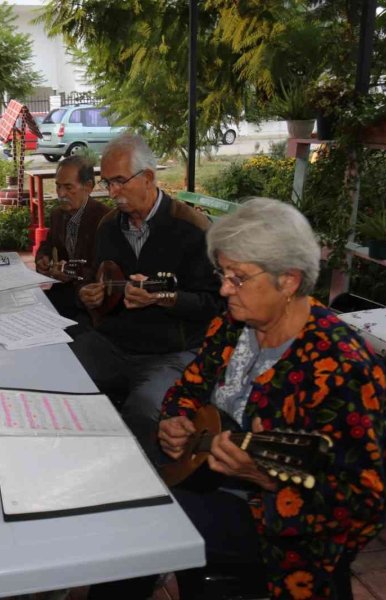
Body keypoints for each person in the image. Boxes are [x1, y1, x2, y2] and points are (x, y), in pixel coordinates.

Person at [93, 198, 386, 599]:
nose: (223, 289)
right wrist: (174, 419)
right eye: (223, 274)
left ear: (288, 281)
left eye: (237, 278)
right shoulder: (234, 325)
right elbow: (189, 386)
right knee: (118, 493)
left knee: (135, 524)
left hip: (276, 525)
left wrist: (263, 477)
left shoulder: (341, 367)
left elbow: (365, 503)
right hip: (206, 480)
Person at [73, 133, 222, 459]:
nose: (112, 192)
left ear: (149, 178)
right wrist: (92, 296)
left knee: (144, 410)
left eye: (119, 181)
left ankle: (140, 480)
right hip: (114, 344)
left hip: (172, 353)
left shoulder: (192, 229)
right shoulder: (108, 227)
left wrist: (164, 298)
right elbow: (102, 280)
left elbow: (215, 304)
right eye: (107, 183)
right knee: (60, 373)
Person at [34, 154, 110, 320]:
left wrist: (72, 272)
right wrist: (42, 259)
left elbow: (108, 270)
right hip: (63, 294)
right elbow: (48, 245)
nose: (61, 194)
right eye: (58, 186)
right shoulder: (57, 215)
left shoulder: (105, 220)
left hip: (91, 303)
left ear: (88, 186)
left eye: (68, 187)